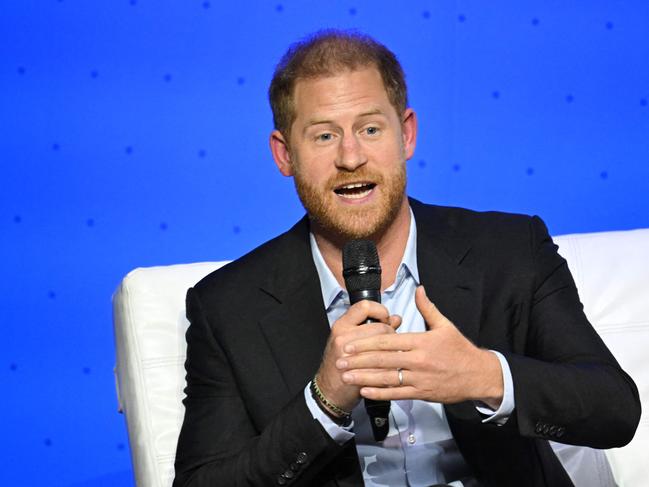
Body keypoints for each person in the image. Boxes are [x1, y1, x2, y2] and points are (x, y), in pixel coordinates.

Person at [173, 30, 640, 487]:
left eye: (370, 128)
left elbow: (614, 409)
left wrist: (482, 374)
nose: (351, 157)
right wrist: (324, 403)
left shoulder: (511, 249)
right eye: (323, 136)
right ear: (284, 154)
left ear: (407, 135)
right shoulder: (227, 308)